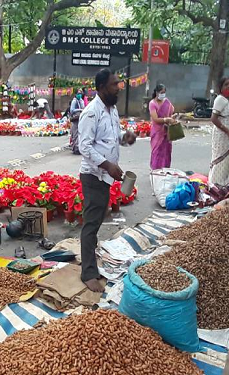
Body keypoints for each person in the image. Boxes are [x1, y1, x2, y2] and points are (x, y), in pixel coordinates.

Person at [78, 69, 136, 293]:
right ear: (101, 88)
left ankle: (90, 259)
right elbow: (84, 147)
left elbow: (110, 139)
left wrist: (125, 138)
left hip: (105, 177)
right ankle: (88, 273)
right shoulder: (91, 112)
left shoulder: (111, 110)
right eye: (114, 85)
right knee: (91, 224)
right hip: (94, 176)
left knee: (98, 218)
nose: (118, 88)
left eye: (118, 84)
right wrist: (108, 165)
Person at [209, 76, 229, 186]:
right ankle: (216, 185)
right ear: (220, 87)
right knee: (221, 161)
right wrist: (228, 131)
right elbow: (213, 118)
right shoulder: (220, 100)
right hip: (223, 137)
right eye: (226, 84)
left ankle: (228, 184)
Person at [148, 83, 176, 170]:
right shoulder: (152, 103)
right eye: (161, 92)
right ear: (157, 92)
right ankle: (156, 171)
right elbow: (155, 119)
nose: (163, 94)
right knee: (157, 152)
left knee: (166, 152)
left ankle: (165, 170)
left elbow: (172, 111)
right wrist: (166, 120)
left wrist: (172, 118)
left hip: (167, 131)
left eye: (164, 92)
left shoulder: (166, 102)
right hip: (157, 132)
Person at [69, 89, 85, 155]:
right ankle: (75, 148)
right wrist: (80, 109)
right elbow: (72, 110)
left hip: (80, 118)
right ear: (75, 94)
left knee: (80, 133)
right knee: (75, 133)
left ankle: (79, 147)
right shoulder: (74, 101)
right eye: (78, 94)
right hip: (76, 118)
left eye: (80, 93)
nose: (79, 95)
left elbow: (84, 107)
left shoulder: (81, 101)